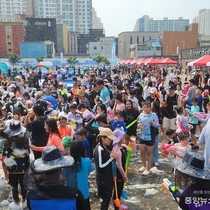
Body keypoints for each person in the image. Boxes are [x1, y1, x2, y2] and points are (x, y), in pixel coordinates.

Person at [3, 119, 29, 209]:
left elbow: (4, 155)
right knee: (24, 185)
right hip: (24, 168)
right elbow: (28, 154)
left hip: (12, 168)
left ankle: (16, 202)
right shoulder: (25, 141)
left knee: (14, 186)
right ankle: (24, 200)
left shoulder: (7, 142)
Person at [62, 141, 92, 210]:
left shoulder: (67, 163)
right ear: (83, 149)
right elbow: (87, 173)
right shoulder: (87, 161)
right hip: (84, 194)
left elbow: (64, 178)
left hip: (71, 194)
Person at [94, 128, 117, 210]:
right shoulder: (99, 149)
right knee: (104, 201)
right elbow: (100, 165)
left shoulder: (105, 146)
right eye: (109, 139)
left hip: (107, 177)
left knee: (107, 199)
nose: (110, 141)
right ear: (102, 138)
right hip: (102, 179)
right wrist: (111, 158)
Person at [138, 101, 160, 175]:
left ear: (150, 108)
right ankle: (144, 165)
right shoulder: (141, 115)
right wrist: (139, 125)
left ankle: (148, 168)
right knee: (142, 151)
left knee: (150, 153)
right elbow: (138, 124)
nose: (146, 109)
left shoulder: (154, 115)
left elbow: (157, 125)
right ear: (142, 108)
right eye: (144, 107)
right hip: (142, 135)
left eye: (148, 107)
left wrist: (152, 123)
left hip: (150, 136)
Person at [112, 130, 127, 210]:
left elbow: (133, 152)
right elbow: (119, 165)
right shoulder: (117, 150)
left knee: (120, 190)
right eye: (122, 137)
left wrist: (133, 143)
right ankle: (116, 207)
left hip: (122, 172)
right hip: (118, 174)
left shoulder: (123, 147)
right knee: (117, 192)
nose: (124, 138)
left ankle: (119, 204)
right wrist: (124, 175)